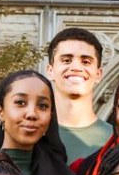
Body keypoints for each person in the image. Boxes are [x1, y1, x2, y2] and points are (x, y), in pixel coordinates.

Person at [46, 27, 112, 162]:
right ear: (50, 71)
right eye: (66, 60)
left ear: (98, 74)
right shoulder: (33, 134)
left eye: (86, 62)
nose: (76, 67)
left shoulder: (114, 139)